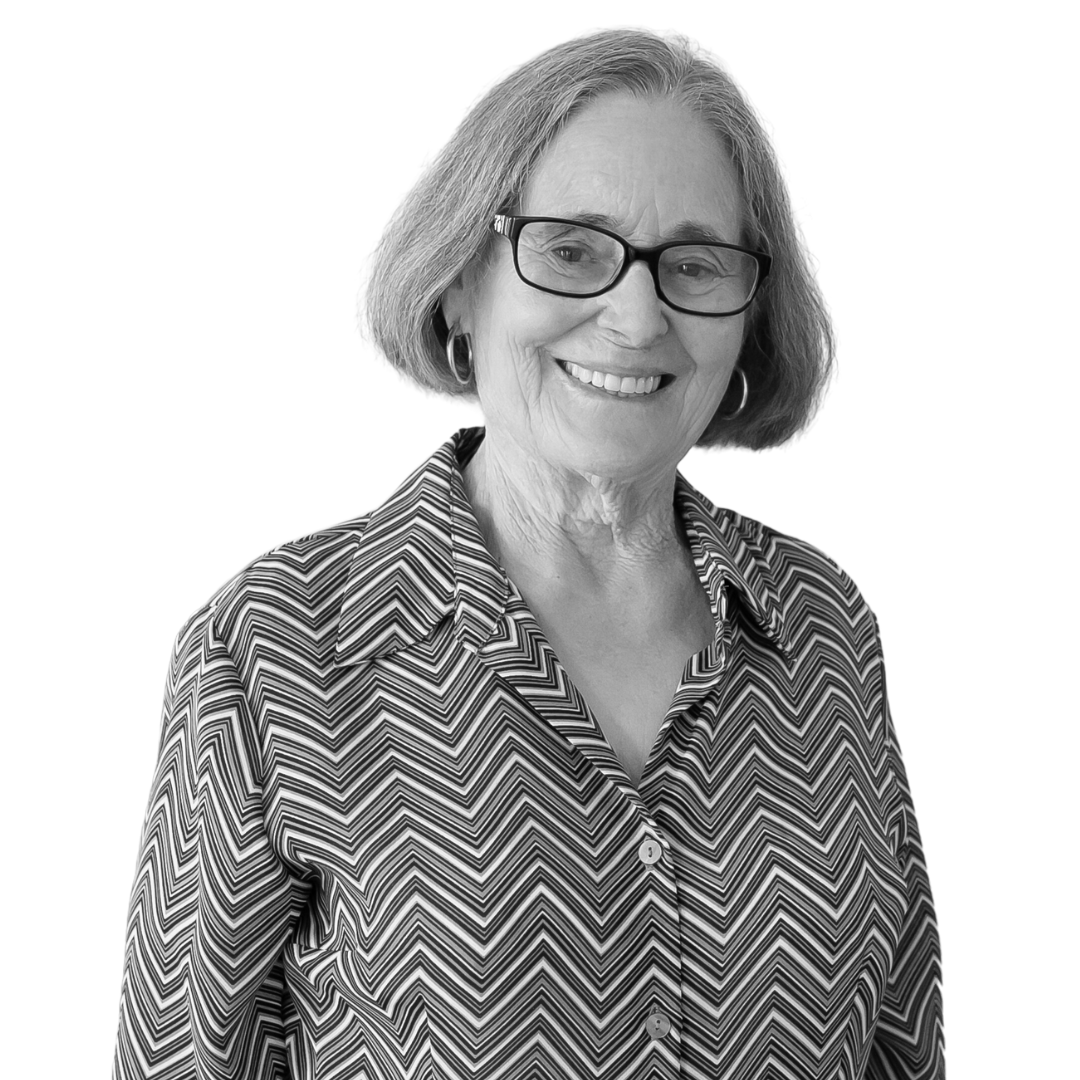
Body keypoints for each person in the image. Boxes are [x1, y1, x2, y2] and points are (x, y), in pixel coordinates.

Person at [113, 25, 945, 1079]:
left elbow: (904, 1044)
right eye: (570, 249)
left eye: (695, 264)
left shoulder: (824, 619)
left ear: (749, 318)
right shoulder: (273, 642)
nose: (636, 317)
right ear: (462, 282)